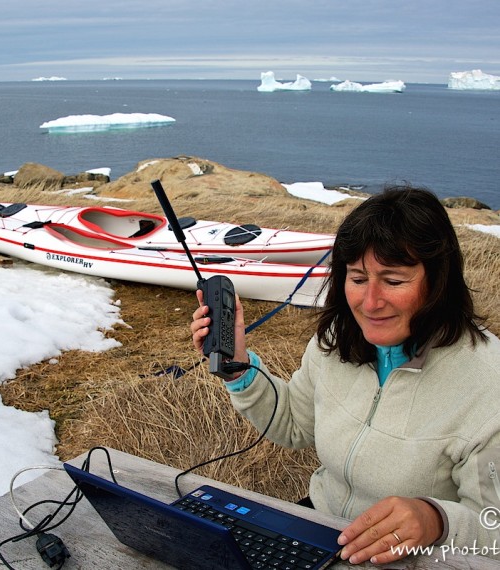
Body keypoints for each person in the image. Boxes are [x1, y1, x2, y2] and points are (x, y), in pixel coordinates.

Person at [190, 186, 500, 564]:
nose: (369, 303)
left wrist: (436, 519)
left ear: (438, 282)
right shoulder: (339, 336)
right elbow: (294, 425)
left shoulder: (488, 384)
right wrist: (238, 364)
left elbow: (493, 530)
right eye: (357, 278)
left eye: (393, 280)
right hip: (316, 533)